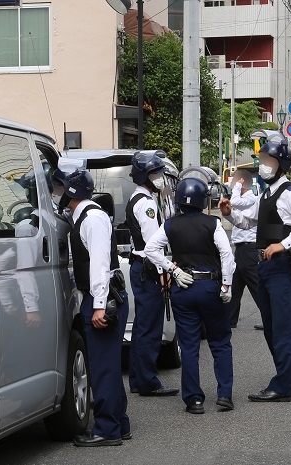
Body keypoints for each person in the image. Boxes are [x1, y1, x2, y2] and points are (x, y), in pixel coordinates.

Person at [218, 140, 291, 402]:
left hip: (280, 267)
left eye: (268, 161)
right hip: (263, 264)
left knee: (281, 327)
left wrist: (283, 245)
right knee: (272, 327)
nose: (263, 166)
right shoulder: (265, 194)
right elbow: (248, 220)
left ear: (281, 165)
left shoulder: (290, 193)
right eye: (262, 161)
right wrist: (229, 214)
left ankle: (283, 385)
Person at [144, 177, 236, 415]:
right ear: (203, 200)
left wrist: (172, 269)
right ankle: (224, 395)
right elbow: (226, 255)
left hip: (183, 288)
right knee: (220, 342)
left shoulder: (170, 225)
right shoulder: (212, 223)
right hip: (210, 287)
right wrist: (226, 285)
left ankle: (194, 400)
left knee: (189, 346)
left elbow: (150, 249)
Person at [64, 170, 131, 446]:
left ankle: (106, 429)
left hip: (104, 298)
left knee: (102, 367)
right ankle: (119, 423)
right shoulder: (87, 216)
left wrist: (99, 306)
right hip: (103, 296)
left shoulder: (91, 219)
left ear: (71, 194)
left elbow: (100, 265)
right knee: (108, 366)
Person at [126, 152, 179, 397]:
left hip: (141, 267)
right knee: (149, 327)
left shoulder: (137, 197)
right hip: (149, 268)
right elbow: (152, 244)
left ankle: (139, 378)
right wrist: (163, 271)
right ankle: (148, 381)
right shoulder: (146, 203)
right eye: (155, 173)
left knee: (141, 326)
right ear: (145, 176)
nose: (159, 178)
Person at [227, 169, 262, 330]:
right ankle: (230, 320)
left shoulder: (250, 199)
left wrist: (237, 186)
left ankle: (269, 317)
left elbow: (233, 201)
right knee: (235, 286)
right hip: (241, 249)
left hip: (249, 248)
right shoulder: (245, 199)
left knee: (256, 286)